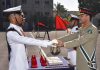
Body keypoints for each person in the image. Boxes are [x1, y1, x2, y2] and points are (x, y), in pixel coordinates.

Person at [3, 5, 57, 70]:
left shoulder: (19, 29)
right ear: (13, 17)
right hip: (17, 66)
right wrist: (49, 42)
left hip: (23, 64)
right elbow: (28, 40)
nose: (22, 18)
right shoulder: (11, 32)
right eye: (20, 15)